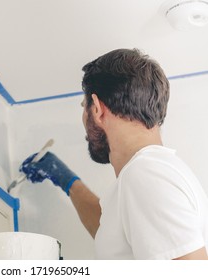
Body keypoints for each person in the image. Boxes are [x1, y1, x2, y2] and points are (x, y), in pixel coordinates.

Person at [19, 48, 208, 260]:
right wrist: (66, 180)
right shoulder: (151, 174)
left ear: (97, 109)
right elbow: (109, 233)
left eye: (84, 106)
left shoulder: (145, 176)